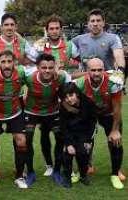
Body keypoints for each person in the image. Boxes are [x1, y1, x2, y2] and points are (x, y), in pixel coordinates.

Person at [33, 14, 80, 176]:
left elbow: (79, 62)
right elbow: (32, 66)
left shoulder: (69, 46)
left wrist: (68, 73)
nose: (54, 31)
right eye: (51, 28)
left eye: (57, 28)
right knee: (45, 133)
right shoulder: (39, 46)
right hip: (45, 97)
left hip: (63, 95)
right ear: (46, 30)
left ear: (61, 29)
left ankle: (63, 165)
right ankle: (49, 165)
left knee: (63, 133)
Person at [75, 58, 124, 189]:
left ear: (104, 70)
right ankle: (84, 169)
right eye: (93, 70)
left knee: (115, 142)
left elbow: (117, 108)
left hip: (108, 114)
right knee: (84, 142)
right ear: (86, 71)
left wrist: (115, 130)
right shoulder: (79, 84)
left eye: (99, 70)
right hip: (90, 115)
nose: (96, 73)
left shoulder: (114, 82)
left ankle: (115, 173)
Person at [0, 50, 28, 190]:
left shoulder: (21, 72)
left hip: (14, 112)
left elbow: (36, 75)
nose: (7, 65)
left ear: (14, 63)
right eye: (3, 62)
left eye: (9, 62)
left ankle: (19, 176)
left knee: (21, 141)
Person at [23, 53, 71, 187]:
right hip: (32, 112)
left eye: (50, 67)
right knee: (27, 140)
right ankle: (31, 172)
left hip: (52, 112)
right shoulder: (29, 77)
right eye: (44, 67)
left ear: (54, 67)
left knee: (60, 138)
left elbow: (71, 89)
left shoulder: (61, 77)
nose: (47, 70)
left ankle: (56, 170)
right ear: (37, 67)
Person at [59, 82, 97, 188]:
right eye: (65, 97)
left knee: (83, 153)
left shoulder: (88, 103)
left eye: (71, 95)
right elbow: (63, 126)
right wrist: (68, 143)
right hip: (70, 132)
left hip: (85, 133)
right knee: (67, 152)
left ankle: (83, 175)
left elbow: (92, 123)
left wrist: (88, 141)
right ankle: (67, 176)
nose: (69, 99)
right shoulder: (64, 106)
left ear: (77, 94)